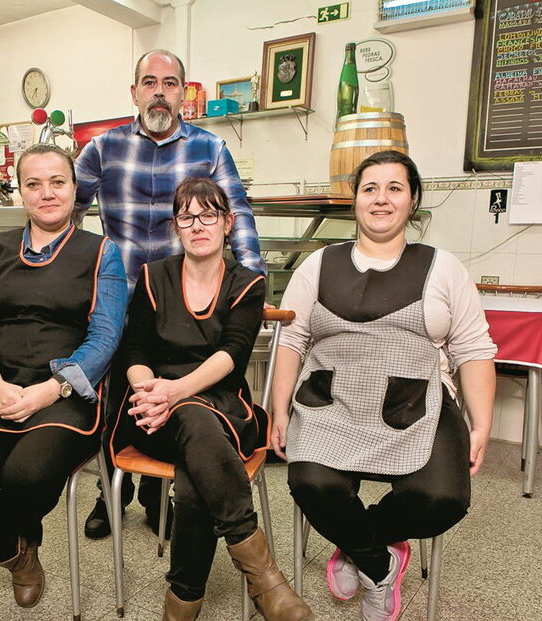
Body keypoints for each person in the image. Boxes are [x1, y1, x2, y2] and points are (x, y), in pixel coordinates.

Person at [270, 151, 496, 621]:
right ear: (354, 200)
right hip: (331, 400)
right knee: (310, 481)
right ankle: (379, 561)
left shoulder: (443, 268)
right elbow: (290, 341)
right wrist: (279, 411)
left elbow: (473, 350)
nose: (381, 199)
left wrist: (482, 424)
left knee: (443, 499)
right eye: (370, 188)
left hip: (415, 401)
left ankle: (357, 541)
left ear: (413, 200)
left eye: (395, 188)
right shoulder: (318, 265)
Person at [76, 48, 267, 540]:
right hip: (122, 301)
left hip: (187, 297)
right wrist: (71, 276)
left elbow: (237, 214)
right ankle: (110, 490)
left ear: (184, 92)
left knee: (178, 389)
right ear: (135, 91)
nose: (159, 91)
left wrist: (247, 284)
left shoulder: (210, 148)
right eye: (149, 82)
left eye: (170, 82)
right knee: (118, 398)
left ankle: (161, 493)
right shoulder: (103, 148)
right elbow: (64, 210)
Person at [112, 177, 312, 621]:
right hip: (154, 415)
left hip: (222, 409)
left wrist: (173, 392)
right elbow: (136, 350)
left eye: (209, 214)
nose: (198, 224)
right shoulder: (153, 275)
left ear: (228, 223)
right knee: (194, 433)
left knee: (197, 450)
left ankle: (183, 598)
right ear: (176, 226)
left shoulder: (248, 282)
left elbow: (233, 355)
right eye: (187, 216)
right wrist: (149, 392)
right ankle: (264, 578)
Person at [0, 144, 126, 609]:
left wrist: (48, 390)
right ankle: (14, 551)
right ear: (20, 191)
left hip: (66, 391)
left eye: (57, 182)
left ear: (74, 188)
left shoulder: (102, 252)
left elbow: (105, 339)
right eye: (34, 184)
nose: (47, 194)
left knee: (25, 476)